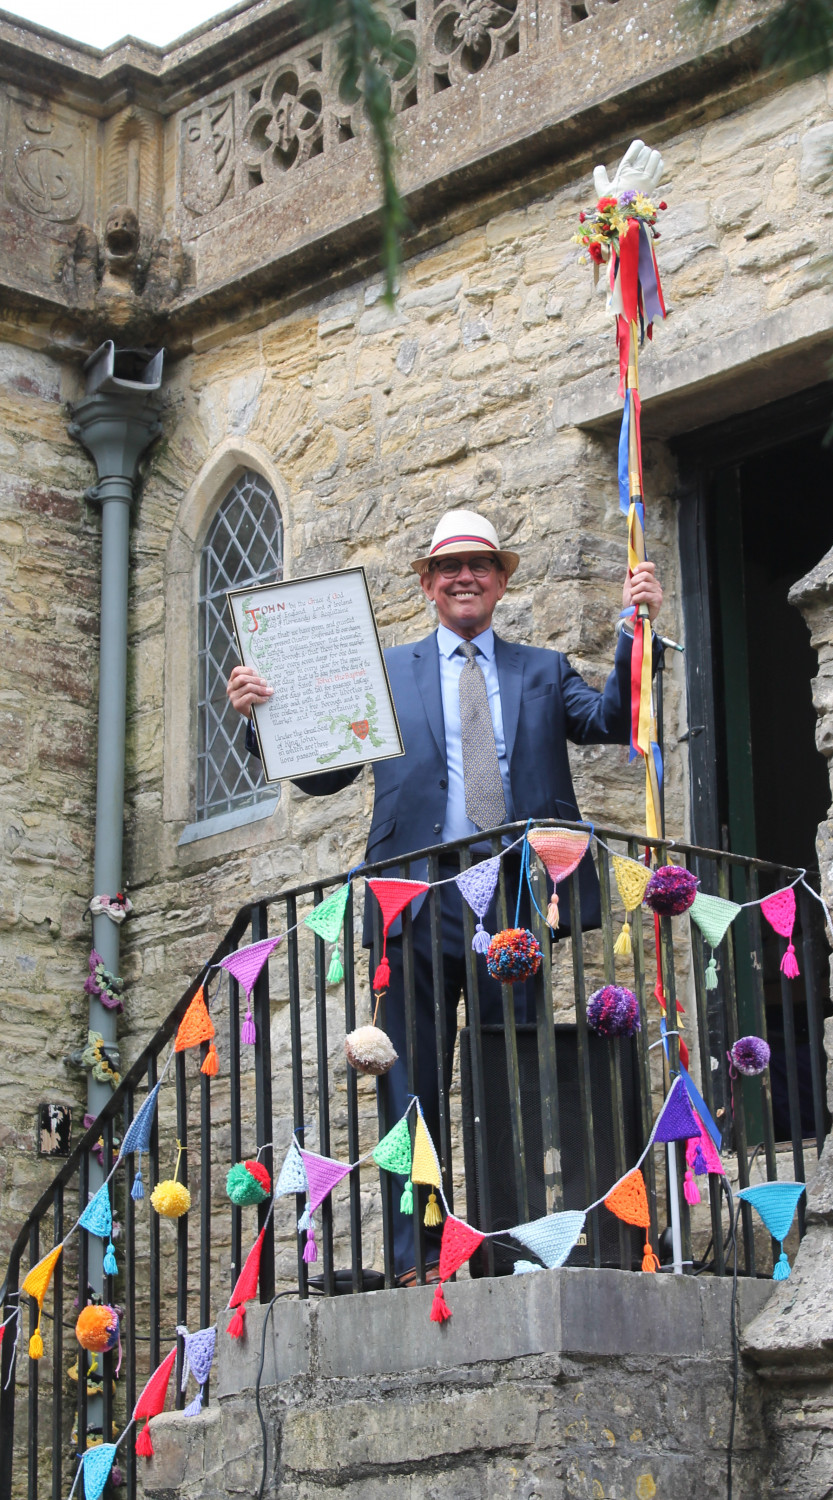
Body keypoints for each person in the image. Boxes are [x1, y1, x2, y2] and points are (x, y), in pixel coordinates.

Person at [227, 509, 663, 1281]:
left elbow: (611, 721)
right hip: (412, 900)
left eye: (482, 565)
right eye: (449, 566)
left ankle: (509, 1251)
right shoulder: (386, 675)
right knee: (409, 1086)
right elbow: (326, 773)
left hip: (516, 904)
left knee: (512, 1079)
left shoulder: (542, 669)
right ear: (428, 584)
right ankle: (416, 1257)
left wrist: (636, 629)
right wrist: (263, 718)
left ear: (502, 581)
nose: (466, 577)